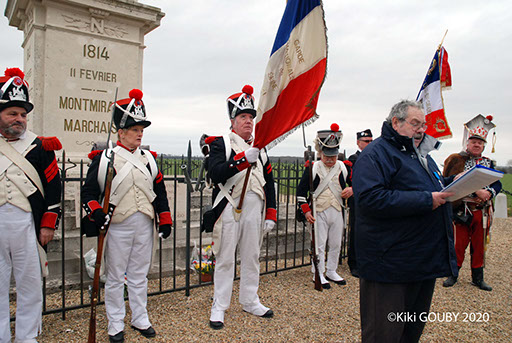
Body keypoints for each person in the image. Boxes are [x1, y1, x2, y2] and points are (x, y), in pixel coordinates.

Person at [353, 100, 458, 343]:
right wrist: (425, 200)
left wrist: (455, 183)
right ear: (396, 123)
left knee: (410, 332)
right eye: (414, 124)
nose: (421, 129)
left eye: (423, 124)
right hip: (390, 263)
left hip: (421, 261)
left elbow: (426, 187)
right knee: (385, 333)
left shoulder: (421, 155)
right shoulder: (375, 154)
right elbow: (370, 199)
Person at [81, 89, 172, 343]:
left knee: (139, 274)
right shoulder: (104, 158)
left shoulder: (149, 160)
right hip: (117, 224)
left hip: (144, 222)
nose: (140, 133)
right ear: (121, 132)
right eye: (134, 128)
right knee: (114, 276)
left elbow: (159, 191)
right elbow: (88, 191)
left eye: (141, 128)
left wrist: (164, 218)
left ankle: (140, 318)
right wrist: (96, 213)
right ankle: (115, 322)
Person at [206, 85, 276, 330]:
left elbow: (269, 184)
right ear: (232, 121)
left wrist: (271, 213)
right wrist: (242, 160)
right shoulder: (221, 144)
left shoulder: (261, 148)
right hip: (229, 207)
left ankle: (249, 299)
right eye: (243, 117)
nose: (248, 121)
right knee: (225, 258)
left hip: (254, 210)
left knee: (251, 257)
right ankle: (220, 305)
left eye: (250, 117)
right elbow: (215, 173)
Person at [0, 67, 62, 343]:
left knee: (29, 284)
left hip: (27, 224)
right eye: (12, 113)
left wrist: (49, 224)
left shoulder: (40, 147)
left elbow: (53, 188)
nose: (20, 119)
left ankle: (26, 336)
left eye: (23, 114)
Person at [442, 114, 501, 291]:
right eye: (473, 142)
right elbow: (448, 181)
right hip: (462, 209)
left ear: (483, 146)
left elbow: (497, 183)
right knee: (458, 245)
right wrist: (476, 190)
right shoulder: (457, 161)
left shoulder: (488, 163)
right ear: (467, 144)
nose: (476, 145)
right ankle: (453, 274)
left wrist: (488, 193)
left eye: (480, 143)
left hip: (481, 211)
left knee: (479, 245)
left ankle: (478, 277)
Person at [297, 123, 352, 288]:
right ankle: (318, 272)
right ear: (320, 153)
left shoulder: (343, 167)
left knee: (336, 243)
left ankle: (331, 270)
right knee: (319, 244)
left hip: (337, 210)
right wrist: (306, 212)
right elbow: (300, 193)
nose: (330, 159)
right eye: (327, 155)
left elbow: (353, 184)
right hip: (318, 211)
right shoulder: (312, 168)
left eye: (333, 156)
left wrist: (351, 189)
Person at [345, 129, 373, 277]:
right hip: (358, 200)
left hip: (372, 198)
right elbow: (351, 181)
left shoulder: (375, 157)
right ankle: (354, 262)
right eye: (366, 141)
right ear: (358, 142)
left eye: (371, 141)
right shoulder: (354, 159)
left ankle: (366, 260)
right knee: (356, 230)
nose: (369, 144)